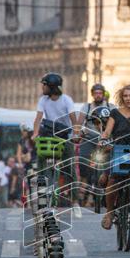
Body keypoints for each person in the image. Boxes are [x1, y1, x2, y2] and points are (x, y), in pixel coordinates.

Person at [100, 84, 130, 229]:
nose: (128, 99)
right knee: (112, 180)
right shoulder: (115, 113)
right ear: (121, 97)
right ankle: (109, 212)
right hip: (119, 151)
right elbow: (107, 132)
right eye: (125, 96)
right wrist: (103, 139)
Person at [31, 73, 82, 204]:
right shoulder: (43, 100)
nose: (42, 87)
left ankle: (75, 198)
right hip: (48, 136)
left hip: (65, 137)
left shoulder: (66, 100)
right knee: (41, 163)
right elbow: (38, 118)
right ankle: (42, 194)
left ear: (51, 87)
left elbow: (73, 119)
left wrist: (76, 133)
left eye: (44, 85)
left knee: (70, 168)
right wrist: (35, 133)